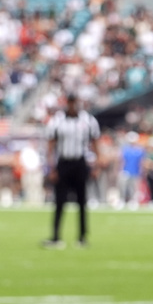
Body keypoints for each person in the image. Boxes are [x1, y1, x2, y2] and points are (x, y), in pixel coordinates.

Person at [44, 93, 100, 248]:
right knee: (59, 201)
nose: (72, 106)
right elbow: (51, 145)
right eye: (70, 103)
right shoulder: (57, 121)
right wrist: (52, 167)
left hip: (80, 162)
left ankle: (82, 237)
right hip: (63, 162)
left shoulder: (88, 120)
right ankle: (56, 236)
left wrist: (96, 164)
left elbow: (95, 142)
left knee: (82, 201)